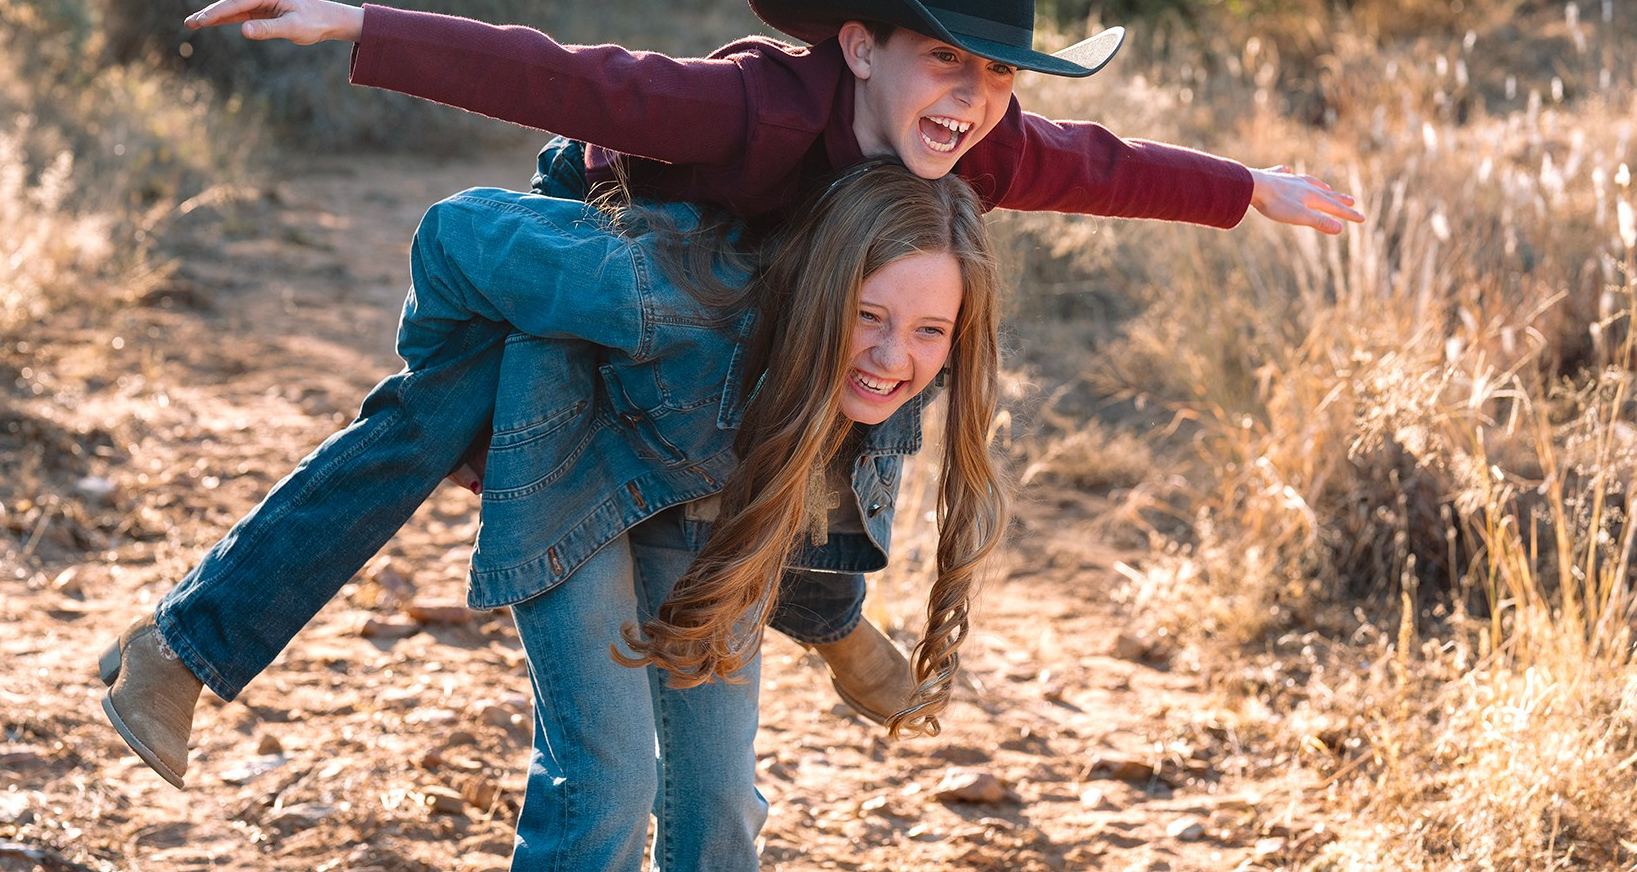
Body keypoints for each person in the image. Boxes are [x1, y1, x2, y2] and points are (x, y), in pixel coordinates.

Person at [98, 0, 1364, 784]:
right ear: (861, 47)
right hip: (597, 255)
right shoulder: (748, 103)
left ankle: (825, 604)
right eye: (946, 59)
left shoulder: (972, 140)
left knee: (893, 338)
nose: (974, 95)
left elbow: (1100, 162)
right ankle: (186, 647)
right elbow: (569, 80)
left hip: (748, 308)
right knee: (424, 421)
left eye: (995, 72)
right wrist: (354, 23)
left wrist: (1244, 184)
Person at [116, 161, 1003, 872]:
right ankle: (184, 642)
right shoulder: (663, 293)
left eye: (930, 331)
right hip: (569, 471)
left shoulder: (896, 351)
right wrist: (451, 398)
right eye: (869, 317)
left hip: (696, 501)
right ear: (822, 295)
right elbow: (454, 232)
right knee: (606, 785)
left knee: (721, 802)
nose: (896, 353)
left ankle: (835, 625)